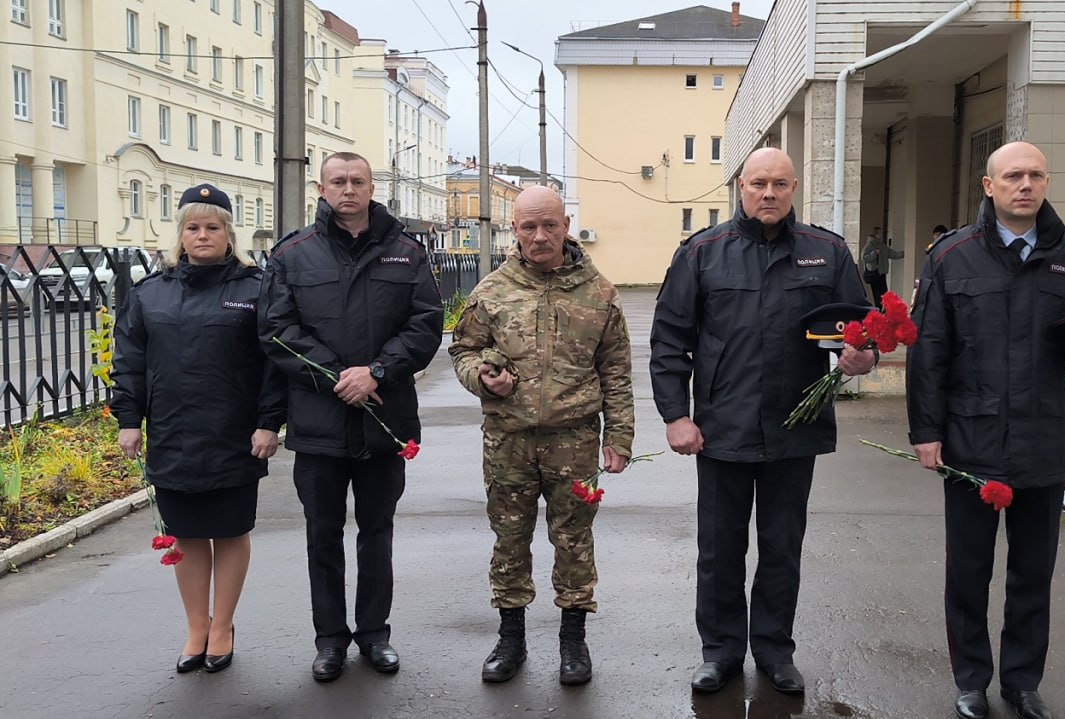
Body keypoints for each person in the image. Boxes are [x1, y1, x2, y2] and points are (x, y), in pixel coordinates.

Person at [905, 141, 1065, 719]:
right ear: (989, 185)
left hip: (1044, 439)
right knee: (968, 571)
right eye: (1012, 175)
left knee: (1033, 573)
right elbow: (927, 350)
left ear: (1046, 182)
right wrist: (925, 431)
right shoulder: (951, 257)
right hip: (969, 440)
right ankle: (970, 681)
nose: (1025, 185)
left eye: (1035, 175)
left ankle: (1021, 681)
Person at [650, 147, 878, 696]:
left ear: (794, 187)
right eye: (758, 183)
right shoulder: (703, 253)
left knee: (782, 548)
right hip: (722, 430)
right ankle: (721, 652)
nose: (768, 193)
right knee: (719, 549)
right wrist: (677, 416)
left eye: (779, 184)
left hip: (794, 430)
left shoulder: (827, 252)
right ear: (741, 187)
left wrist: (861, 357)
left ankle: (775, 651)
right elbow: (669, 341)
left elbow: (862, 331)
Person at [258, 152, 444, 682]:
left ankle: (375, 634)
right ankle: (330, 640)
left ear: (370, 187)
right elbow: (276, 330)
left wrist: (378, 372)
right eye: (337, 181)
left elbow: (425, 325)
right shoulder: (293, 254)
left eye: (357, 181)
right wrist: (339, 376)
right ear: (322, 188)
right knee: (322, 535)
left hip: (384, 422)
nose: (348, 190)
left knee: (377, 532)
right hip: (319, 424)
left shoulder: (405, 253)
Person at [448, 185, 634, 687]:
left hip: (573, 441)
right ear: (515, 230)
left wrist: (619, 437)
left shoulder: (599, 293)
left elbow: (615, 371)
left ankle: (573, 641)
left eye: (549, 224)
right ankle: (511, 639)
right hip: (507, 440)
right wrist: (483, 376)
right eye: (528, 226)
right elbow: (463, 352)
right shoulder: (491, 291)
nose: (539, 235)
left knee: (573, 539)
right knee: (509, 540)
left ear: (566, 225)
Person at [111, 183, 287, 674]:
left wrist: (268, 423)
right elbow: (129, 361)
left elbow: (274, 365)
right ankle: (196, 626)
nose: (203, 235)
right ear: (181, 235)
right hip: (172, 433)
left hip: (235, 434)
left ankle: (223, 625)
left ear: (229, 235)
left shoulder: (255, 290)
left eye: (213, 227)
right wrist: (129, 420)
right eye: (193, 227)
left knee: (229, 532)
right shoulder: (150, 294)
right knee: (187, 536)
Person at [861, 225, 903, 308]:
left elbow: (891, 253)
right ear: (875, 234)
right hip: (875, 272)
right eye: (879, 233)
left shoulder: (881, 245)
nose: (881, 235)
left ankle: (883, 310)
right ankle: (880, 310)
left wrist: (904, 254)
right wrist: (874, 253)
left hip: (881, 272)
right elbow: (864, 257)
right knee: (878, 294)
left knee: (883, 293)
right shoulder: (870, 244)